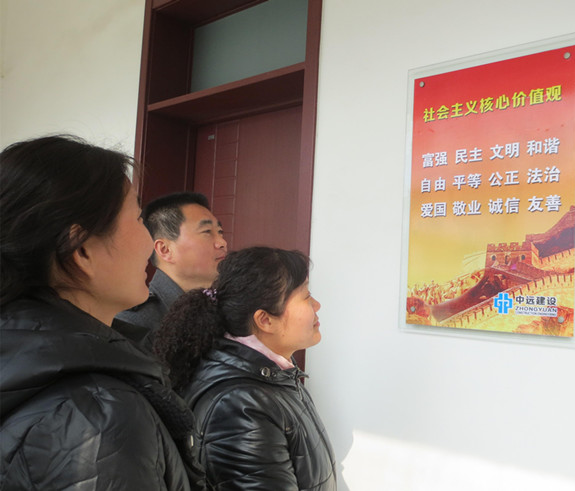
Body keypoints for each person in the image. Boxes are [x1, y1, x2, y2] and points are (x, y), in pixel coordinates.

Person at [0, 135, 204, 489]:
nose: (149, 242)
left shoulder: (19, 354)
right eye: (138, 218)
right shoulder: (98, 417)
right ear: (81, 250)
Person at [154, 246, 337, 490]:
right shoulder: (240, 406)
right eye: (306, 296)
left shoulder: (276, 376)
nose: (317, 305)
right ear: (265, 320)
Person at [115, 191, 227, 343]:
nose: (222, 242)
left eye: (220, 232)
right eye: (207, 232)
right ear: (165, 250)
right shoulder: (135, 323)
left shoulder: (228, 308)